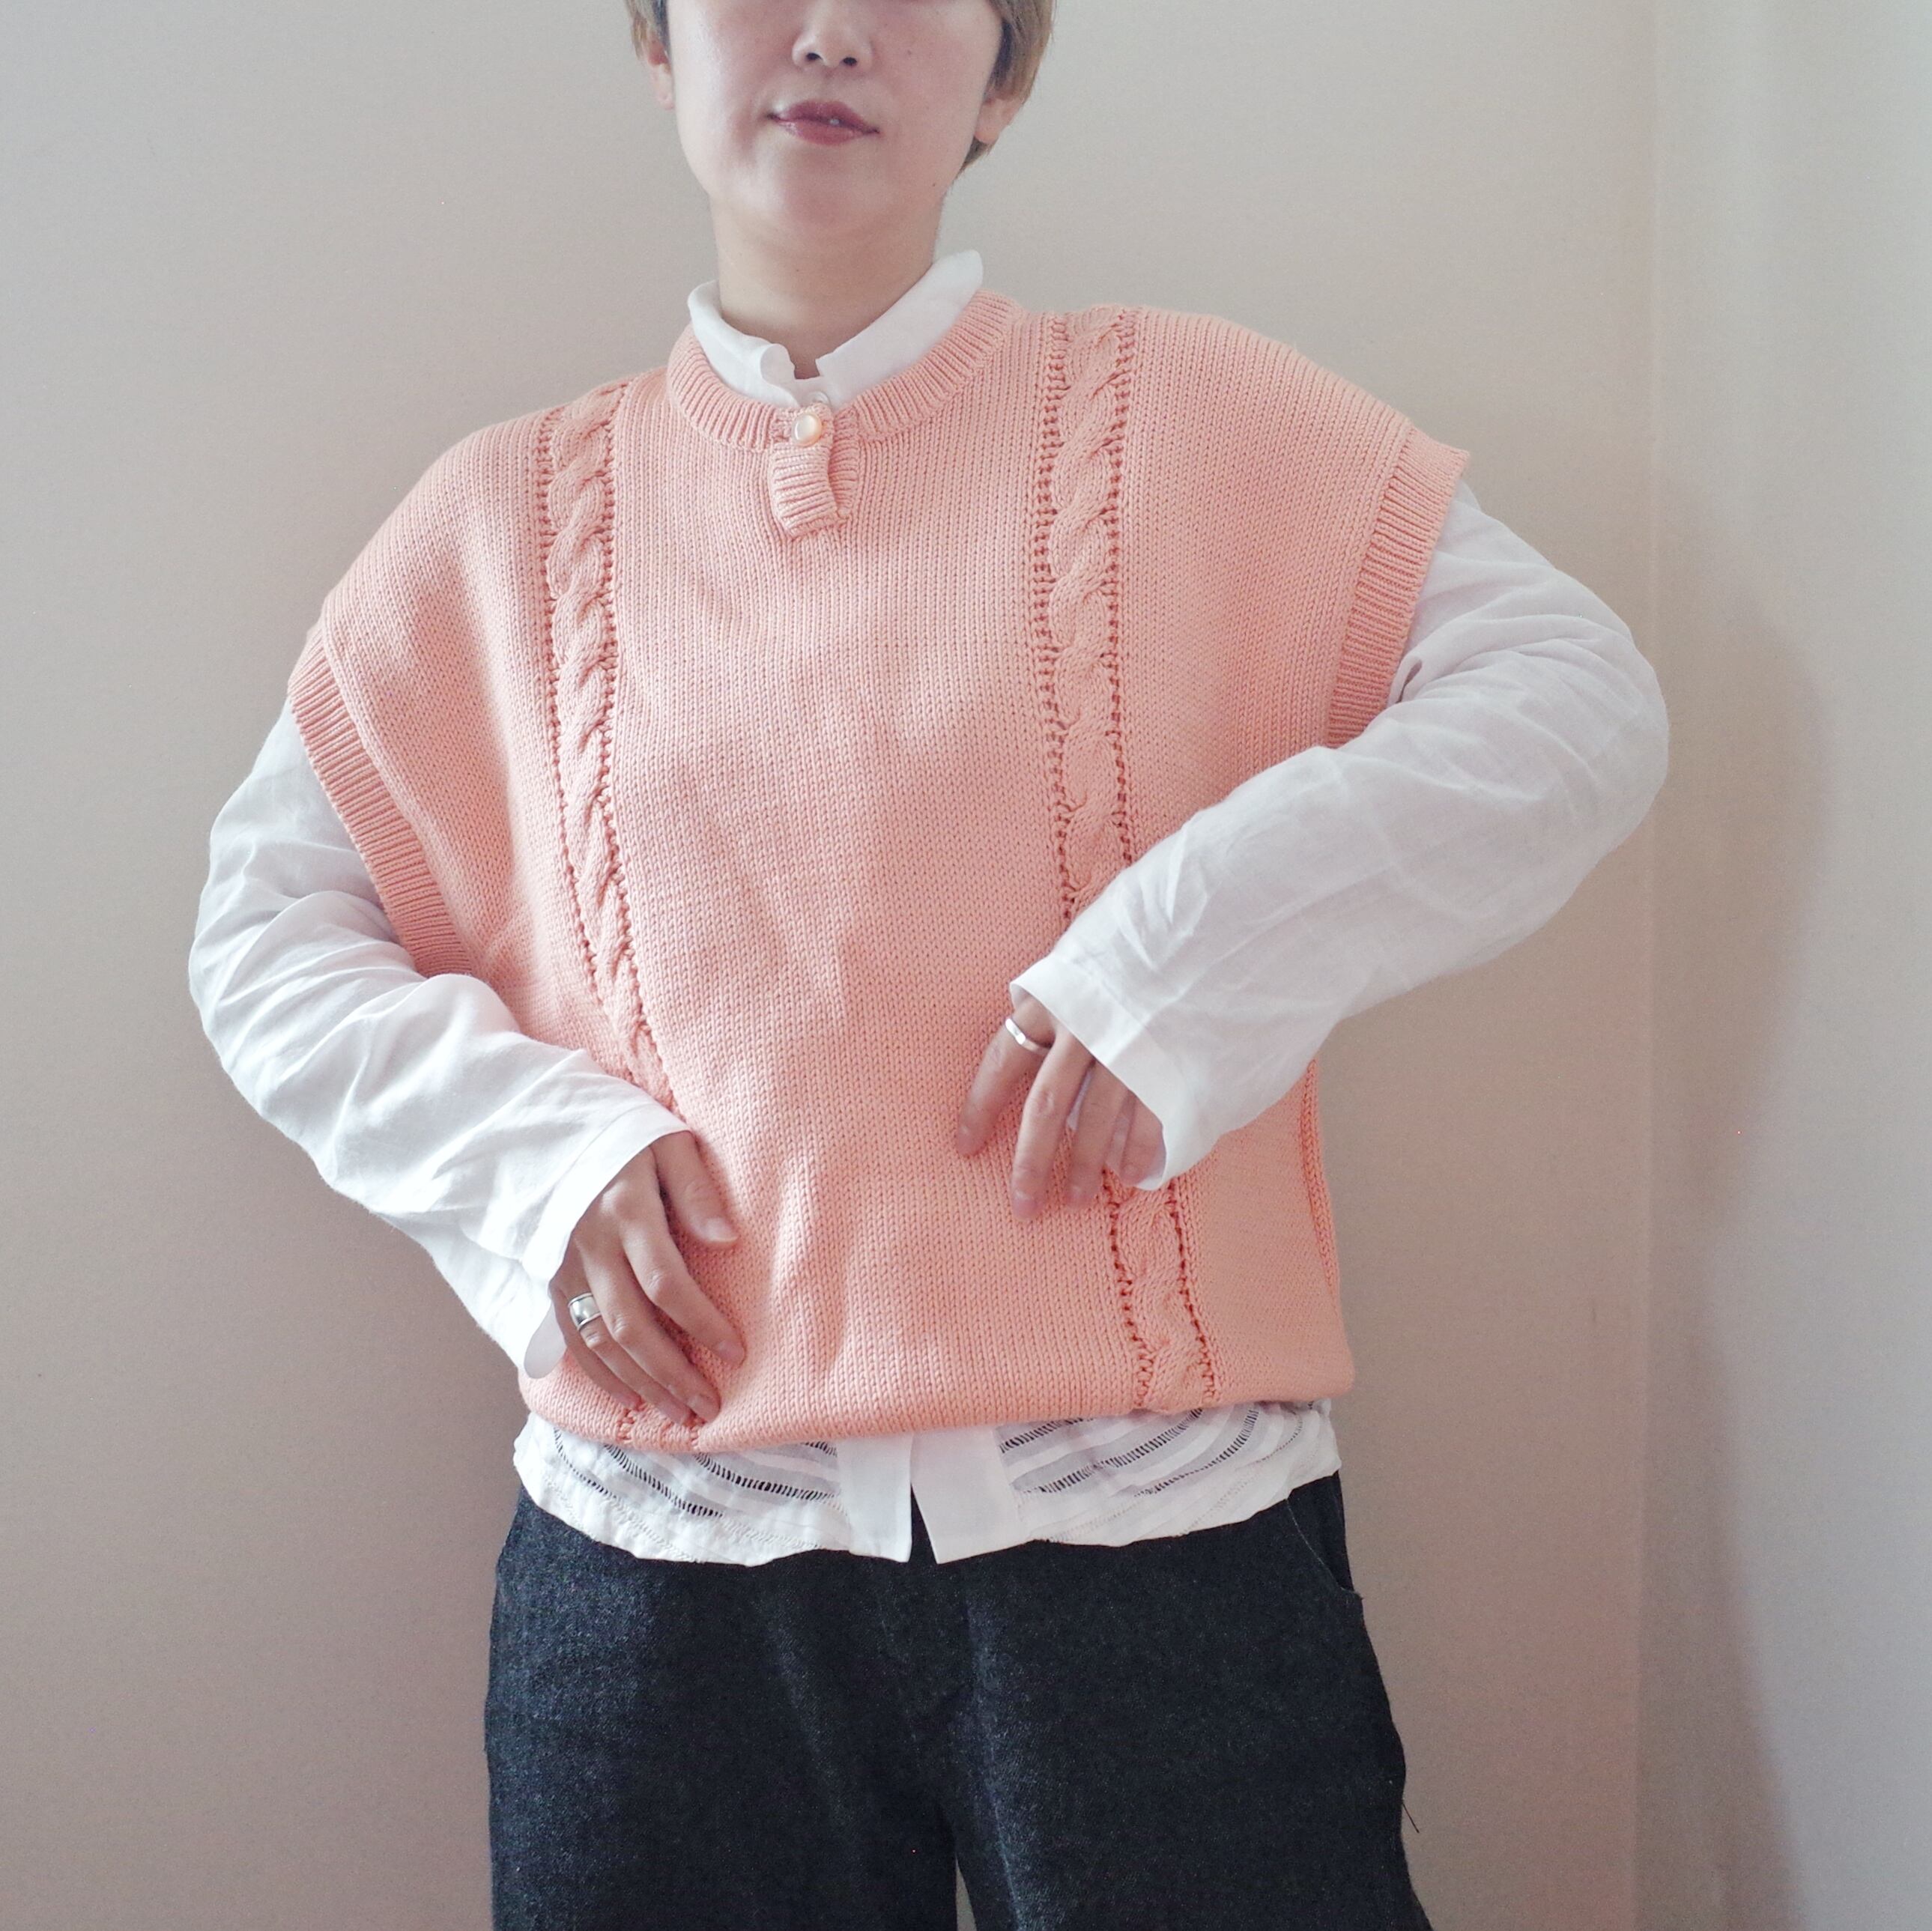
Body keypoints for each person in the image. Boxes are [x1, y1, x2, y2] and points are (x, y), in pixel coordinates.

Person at [187, 1, 1670, 1925]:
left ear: (1008, 70)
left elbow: (1571, 704)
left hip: (1162, 1546)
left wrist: (1179, 962)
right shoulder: (492, 524)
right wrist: (531, 1167)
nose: (828, 30)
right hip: (663, 1583)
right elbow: (266, 935)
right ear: (657, 42)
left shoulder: (1199, 416)